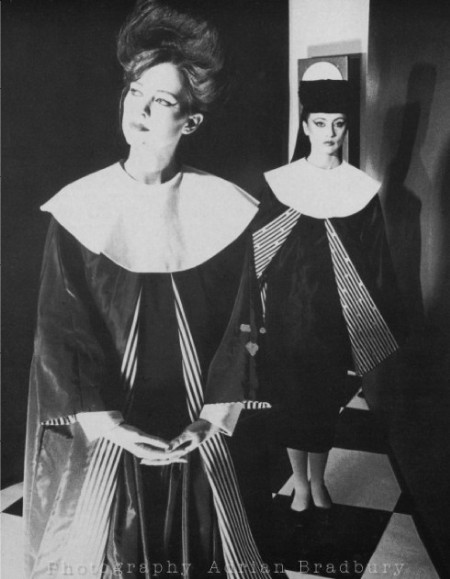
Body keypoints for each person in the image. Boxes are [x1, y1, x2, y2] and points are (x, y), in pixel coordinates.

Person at [24, 2, 273, 577]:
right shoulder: (80, 208)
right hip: (109, 424)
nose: (139, 108)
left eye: (162, 100)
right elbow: (61, 329)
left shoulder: (225, 209)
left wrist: (212, 419)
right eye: (136, 92)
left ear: (192, 121)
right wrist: (110, 425)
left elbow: (243, 324)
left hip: (197, 424)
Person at [251, 72, 407, 520]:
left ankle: (318, 480)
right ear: (305, 126)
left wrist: (373, 323)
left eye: (338, 123)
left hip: (334, 317)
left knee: (323, 402)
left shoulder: (360, 189)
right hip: (287, 315)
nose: (330, 133)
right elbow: (256, 252)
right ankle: (299, 483)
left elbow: (375, 261)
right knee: (290, 400)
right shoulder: (279, 183)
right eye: (320, 123)